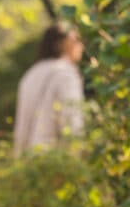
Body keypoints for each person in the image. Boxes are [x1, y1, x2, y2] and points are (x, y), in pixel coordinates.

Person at [12, 21, 85, 157]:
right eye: (76, 40)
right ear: (61, 44)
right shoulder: (66, 73)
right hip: (56, 162)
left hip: (29, 160)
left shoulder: (31, 74)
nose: (81, 45)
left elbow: (20, 127)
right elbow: (72, 120)